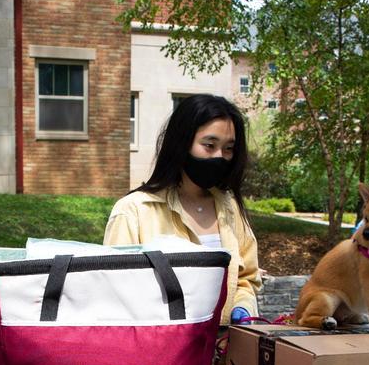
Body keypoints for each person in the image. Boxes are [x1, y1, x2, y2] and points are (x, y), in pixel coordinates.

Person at [104, 94, 260, 326]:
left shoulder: (230, 208)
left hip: (223, 351)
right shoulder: (133, 212)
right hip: (159, 353)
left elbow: (246, 277)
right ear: (182, 142)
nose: (219, 156)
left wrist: (242, 306)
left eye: (228, 148)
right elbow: (114, 290)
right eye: (209, 145)